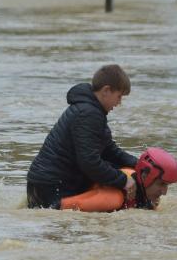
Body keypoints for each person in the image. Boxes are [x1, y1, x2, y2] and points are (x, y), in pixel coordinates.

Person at [27, 64, 137, 209]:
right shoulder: (89, 114)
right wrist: (123, 180)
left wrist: (140, 165)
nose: (119, 103)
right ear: (106, 90)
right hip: (51, 186)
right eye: (119, 96)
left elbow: (109, 150)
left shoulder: (91, 109)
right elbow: (89, 162)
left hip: (43, 183)